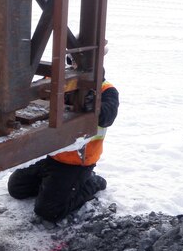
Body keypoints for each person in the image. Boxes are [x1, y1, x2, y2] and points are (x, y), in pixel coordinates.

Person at [7, 79, 119, 222]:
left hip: (75, 162)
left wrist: (93, 105)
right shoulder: (58, 78)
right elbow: (35, 93)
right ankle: (54, 186)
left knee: (49, 211)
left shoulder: (106, 90)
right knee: (17, 188)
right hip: (50, 154)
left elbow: (107, 117)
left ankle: (92, 182)